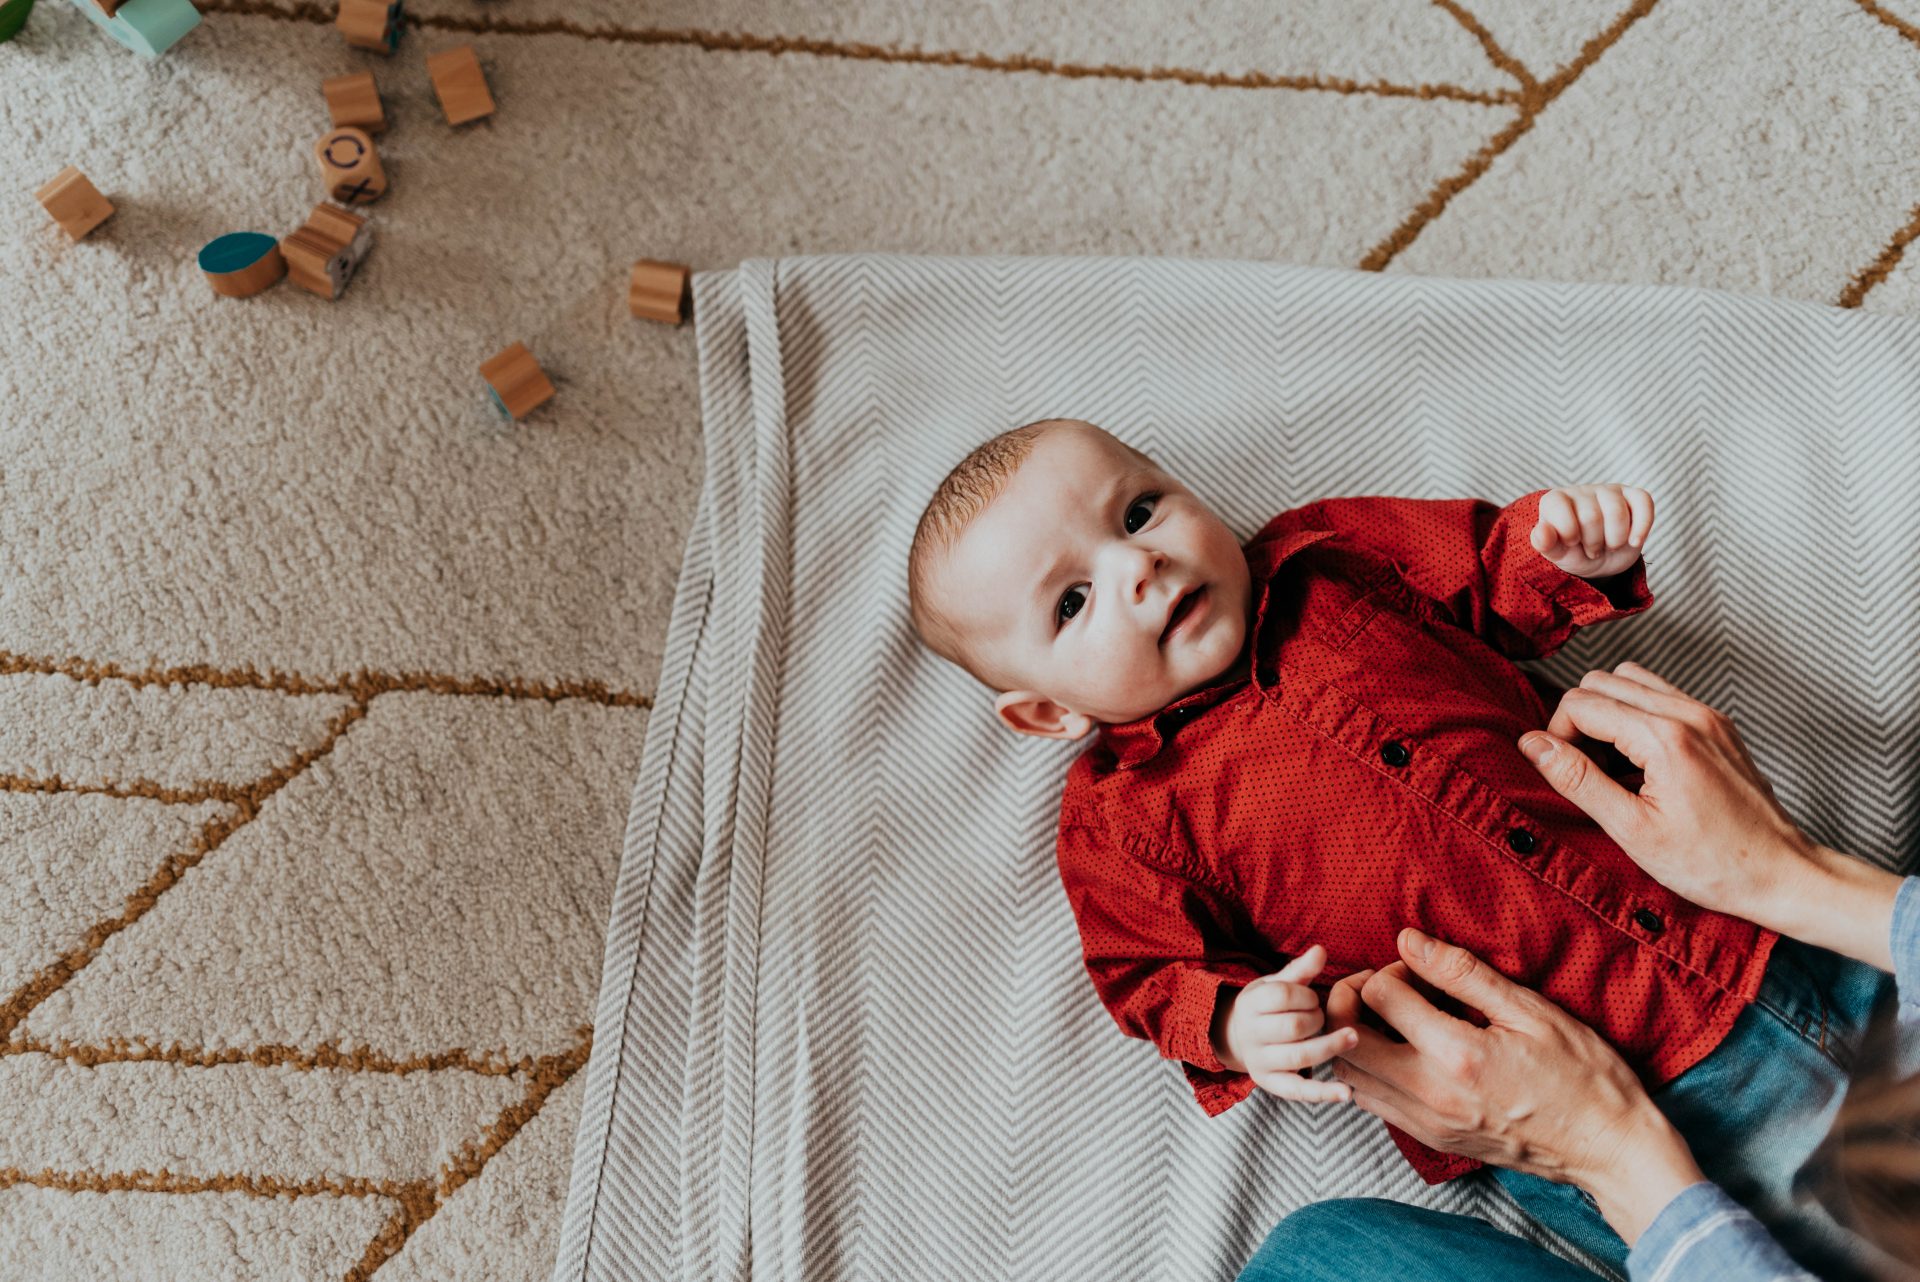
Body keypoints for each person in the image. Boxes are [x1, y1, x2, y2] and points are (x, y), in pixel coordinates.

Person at [903, 417, 1900, 1278]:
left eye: (1140, 511)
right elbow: (1149, 976)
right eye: (1072, 602)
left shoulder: (1329, 556)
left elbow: (1483, 572)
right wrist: (1242, 1023)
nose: (1138, 566)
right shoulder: (1127, 821)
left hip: (1745, 930)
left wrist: (1559, 550)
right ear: (1042, 713)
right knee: (1809, 1229)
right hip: (1585, 1090)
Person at [1237, 662, 1920, 1281]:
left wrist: (1603, 1151)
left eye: (1146, 514)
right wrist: (1792, 875)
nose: (1140, 567)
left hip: (1645, 1105)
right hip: (1783, 976)